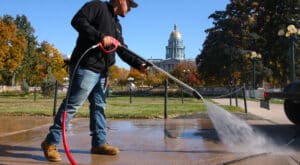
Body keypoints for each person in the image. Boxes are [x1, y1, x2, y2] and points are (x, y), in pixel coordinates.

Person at [41, 0, 146, 162]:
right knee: (72, 106)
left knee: (99, 107)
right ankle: (50, 142)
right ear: (121, 1)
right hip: (86, 67)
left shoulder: (117, 25)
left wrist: (139, 64)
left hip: (103, 72)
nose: (130, 9)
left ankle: (99, 143)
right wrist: (100, 36)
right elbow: (77, 20)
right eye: (130, 5)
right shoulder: (97, 7)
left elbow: (122, 49)